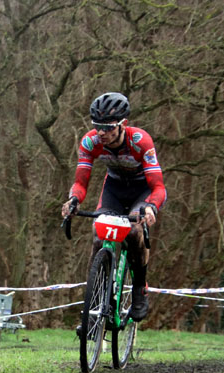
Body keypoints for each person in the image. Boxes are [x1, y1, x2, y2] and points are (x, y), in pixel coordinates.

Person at [62, 92, 167, 321]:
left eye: (108, 127)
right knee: (98, 233)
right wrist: (74, 200)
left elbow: (159, 187)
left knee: (135, 231)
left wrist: (150, 207)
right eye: (98, 126)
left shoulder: (140, 141)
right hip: (115, 190)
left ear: (122, 125)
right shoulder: (90, 142)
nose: (102, 132)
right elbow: (80, 182)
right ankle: (96, 300)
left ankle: (139, 288)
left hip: (142, 190)